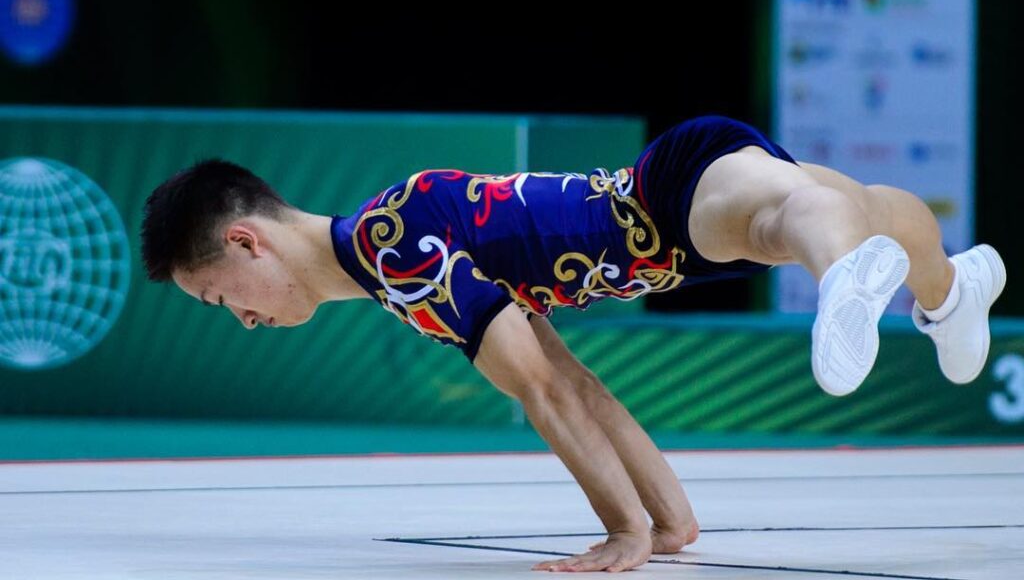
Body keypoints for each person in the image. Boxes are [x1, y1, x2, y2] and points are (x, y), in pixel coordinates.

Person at [140, 114, 1006, 574]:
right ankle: (952, 294)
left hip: (659, 204)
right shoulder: (388, 255)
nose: (241, 321)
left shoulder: (388, 251)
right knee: (872, 210)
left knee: (788, 220)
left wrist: (620, 533)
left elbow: (540, 392)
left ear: (249, 242)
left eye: (220, 297)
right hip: (664, 230)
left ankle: (847, 276)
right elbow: (569, 376)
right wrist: (666, 524)